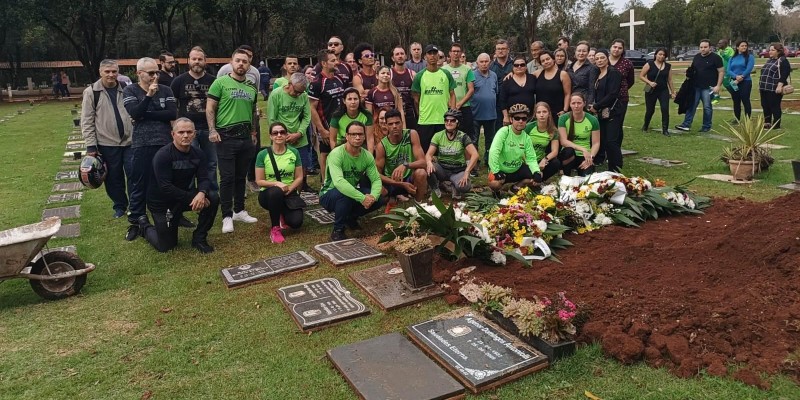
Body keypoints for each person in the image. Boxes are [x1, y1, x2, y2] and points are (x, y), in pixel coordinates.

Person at [139, 118, 218, 253]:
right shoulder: (163, 156)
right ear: (173, 134)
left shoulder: (198, 153)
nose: (185, 135)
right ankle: (144, 226)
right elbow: (165, 188)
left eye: (189, 132)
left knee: (213, 197)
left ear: (194, 134)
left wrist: (201, 193)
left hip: (183, 198)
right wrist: (193, 199)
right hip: (162, 203)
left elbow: (204, 178)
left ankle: (199, 238)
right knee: (166, 245)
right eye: (181, 132)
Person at [122, 57, 177, 241]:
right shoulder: (130, 90)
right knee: (139, 183)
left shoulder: (167, 89)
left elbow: (171, 113)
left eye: (157, 72)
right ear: (139, 73)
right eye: (151, 73)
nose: (155, 76)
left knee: (167, 180)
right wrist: (148, 97)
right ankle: (136, 221)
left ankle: (173, 213)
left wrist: (146, 115)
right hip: (142, 144)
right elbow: (135, 113)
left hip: (164, 143)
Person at [207, 48, 260, 234]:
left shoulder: (252, 87)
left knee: (241, 176)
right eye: (238, 61)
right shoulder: (220, 83)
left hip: (245, 138)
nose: (241, 64)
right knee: (227, 178)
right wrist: (212, 130)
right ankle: (227, 216)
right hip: (225, 137)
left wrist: (253, 132)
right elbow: (210, 107)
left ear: (249, 65)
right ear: (231, 62)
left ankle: (239, 210)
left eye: (245, 62)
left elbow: (254, 112)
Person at [81, 59, 134, 219]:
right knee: (113, 178)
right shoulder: (91, 92)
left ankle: (135, 204)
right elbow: (87, 120)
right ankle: (120, 206)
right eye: (107, 71)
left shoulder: (126, 88)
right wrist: (91, 146)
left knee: (134, 174)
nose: (111, 75)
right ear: (100, 72)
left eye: (114, 71)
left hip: (130, 141)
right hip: (107, 143)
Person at [319, 121, 385, 241]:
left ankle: (350, 217)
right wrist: (362, 198)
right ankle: (338, 230)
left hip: (350, 192)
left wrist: (372, 197)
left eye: (360, 134)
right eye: (353, 134)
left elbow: (376, 179)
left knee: (379, 198)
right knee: (344, 194)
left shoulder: (367, 156)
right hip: (329, 194)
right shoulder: (336, 154)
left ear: (365, 136)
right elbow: (339, 182)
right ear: (347, 136)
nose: (357, 137)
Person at [171, 46, 218, 190]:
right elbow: (172, 106)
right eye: (194, 59)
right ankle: (189, 194)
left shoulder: (214, 81)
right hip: (187, 131)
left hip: (209, 129)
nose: (197, 62)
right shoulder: (179, 81)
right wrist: (174, 129)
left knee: (211, 163)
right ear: (188, 61)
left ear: (205, 61)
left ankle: (211, 193)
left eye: (200, 59)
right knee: (189, 163)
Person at [255, 122, 304, 244]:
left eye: (282, 132)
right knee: (276, 192)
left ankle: (282, 212)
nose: (279, 135)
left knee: (296, 223)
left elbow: (299, 177)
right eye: (275, 133)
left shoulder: (294, 152)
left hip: (289, 192)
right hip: (268, 194)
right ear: (270, 136)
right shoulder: (263, 154)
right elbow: (259, 181)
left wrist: (290, 189)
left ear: (286, 135)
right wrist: (276, 183)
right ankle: (275, 229)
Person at [267, 72, 314, 192]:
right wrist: (282, 135)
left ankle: (299, 192)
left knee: (302, 166)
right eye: (296, 91)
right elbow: (272, 118)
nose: (298, 94)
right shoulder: (276, 94)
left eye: (301, 92)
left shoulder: (303, 96)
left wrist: (299, 133)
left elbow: (306, 117)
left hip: (300, 138)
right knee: (283, 167)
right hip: (281, 137)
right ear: (289, 84)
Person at [375, 109, 428, 202]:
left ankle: (418, 204)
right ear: (386, 126)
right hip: (392, 181)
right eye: (391, 124)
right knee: (378, 190)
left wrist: (405, 165)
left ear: (402, 123)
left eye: (397, 123)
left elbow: (423, 163)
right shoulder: (382, 145)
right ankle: (391, 197)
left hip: (409, 178)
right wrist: (399, 184)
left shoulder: (411, 134)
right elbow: (376, 174)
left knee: (421, 173)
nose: (394, 126)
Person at [487, 103, 542, 193]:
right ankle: (496, 190)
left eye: (524, 118)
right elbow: (494, 152)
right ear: (511, 119)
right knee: (495, 184)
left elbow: (531, 158)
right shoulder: (504, 132)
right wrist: (496, 171)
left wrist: (536, 172)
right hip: (501, 170)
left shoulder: (526, 138)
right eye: (517, 118)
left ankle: (515, 187)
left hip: (517, 169)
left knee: (537, 176)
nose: (520, 121)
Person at [411, 44, 456, 152]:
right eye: (429, 53)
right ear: (425, 57)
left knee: (444, 151)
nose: (432, 56)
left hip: (443, 120)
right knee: (426, 151)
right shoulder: (419, 76)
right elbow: (416, 99)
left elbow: (452, 94)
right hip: (425, 121)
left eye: (434, 53)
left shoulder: (446, 74)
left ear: (438, 56)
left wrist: (453, 113)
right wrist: (420, 114)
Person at [309, 49, 346, 182]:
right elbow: (312, 108)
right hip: (326, 127)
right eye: (333, 60)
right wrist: (321, 129)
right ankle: (325, 184)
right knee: (325, 154)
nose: (337, 62)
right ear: (324, 63)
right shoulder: (317, 83)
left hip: (342, 125)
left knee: (343, 153)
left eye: (336, 59)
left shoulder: (339, 78)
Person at [425, 109, 478, 199]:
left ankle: (455, 186)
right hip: (442, 168)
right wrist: (429, 162)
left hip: (458, 170)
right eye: (446, 120)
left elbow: (475, 155)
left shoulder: (463, 136)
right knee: (426, 166)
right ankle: (435, 190)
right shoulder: (438, 135)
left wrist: (467, 172)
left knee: (464, 187)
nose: (449, 122)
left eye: (452, 120)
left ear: (458, 123)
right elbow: (428, 154)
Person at [675, 39, 723, 132]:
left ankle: (706, 126)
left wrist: (718, 85)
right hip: (695, 86)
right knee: (691, 105)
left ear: (710, 48)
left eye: (705, 47)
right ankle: (686, 124)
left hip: (708, 88)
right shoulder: (697, 57)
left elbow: (721, 71)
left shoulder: (716, 58)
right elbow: (693, 69)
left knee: (707, 107)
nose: (703, 49)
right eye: (701, 47)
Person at [587, 49, 624, 172]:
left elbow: (612, 94)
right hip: (602, 113)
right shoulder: (598, 73)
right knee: (603, 139)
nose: (599, 60)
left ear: (607, 58)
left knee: (611, 141)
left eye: (602, 58)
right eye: (596, 59)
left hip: (612, 112)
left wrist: (596, 106)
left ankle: (616, 168)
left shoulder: (613, 73)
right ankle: (607, 165)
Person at [442, 43, 476, 150]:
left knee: (468, 134)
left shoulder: (467, 69)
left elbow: (471, 89)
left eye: (458, 51)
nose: (456, 53)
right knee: (450, 134)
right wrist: (450, 104)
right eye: (454, 51)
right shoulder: (443, 69)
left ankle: (470, 160)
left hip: (464, 107)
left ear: (461, 53)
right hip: (448, 108)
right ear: (450, 53)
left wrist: (460, 103)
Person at [558, 93, 600, 176]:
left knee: (587, 179)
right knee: (569, 150)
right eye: (573, 103)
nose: (576, 106)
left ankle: (585, 168)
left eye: (579, 103)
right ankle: (565, 174)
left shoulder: (593, 120)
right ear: (570, 104)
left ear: (584, 103)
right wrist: (582, 149)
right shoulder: (563, 118)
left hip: (585, 156)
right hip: (569, 155)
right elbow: (563, 141)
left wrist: (590, 158)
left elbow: (596, 143)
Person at [471, 53, 498, 176]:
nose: (484, 64)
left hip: (491, 114)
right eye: (481, 62)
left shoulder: (494, 76)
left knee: (490, 140)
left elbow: (495, 92)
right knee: (474, 140)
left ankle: (489, 160)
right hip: (475, 113)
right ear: (477, 63)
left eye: (486, 61)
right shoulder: (472, 75)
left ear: (490, 62)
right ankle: (474, 163)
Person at [639, 48, 675, 136]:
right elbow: (641, 76)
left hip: (663, 90)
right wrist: (649, 82)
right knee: (650, 110)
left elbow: (670, 80)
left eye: (663, 55)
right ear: (656, 55)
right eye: (660, 54)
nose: (661, 56)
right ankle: (645, 125)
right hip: (651, 90)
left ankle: (665, 129)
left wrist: (673, 92)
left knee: (665, 109)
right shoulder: (649, 64)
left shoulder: (668, 66)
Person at [525, 102, 562, 181]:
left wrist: (544, 160)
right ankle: (532, 179)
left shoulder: (553, 130)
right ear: (535, 114)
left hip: (540, 160)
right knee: (528, 178)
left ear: (549, 114)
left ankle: (539, 180)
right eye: (539, 112)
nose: (541, 115)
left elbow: (555, 151)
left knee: (556, 163)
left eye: (544, 112)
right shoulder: (528, 127)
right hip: (526, 160)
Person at [330, 87, 374, 152]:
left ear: (359, 100)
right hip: (342, 145)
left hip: (360, 144)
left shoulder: (367, 115)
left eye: (355, 99)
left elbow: (370, 138)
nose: (353, 102)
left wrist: (370, 156)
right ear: (344, 101)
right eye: (349, 99)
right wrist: (335, 154)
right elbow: (332, 139)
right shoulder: (337, 116)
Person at [759, 43, 792, 129]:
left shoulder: (783, 60)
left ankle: (776, 124)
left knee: (774, 106)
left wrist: (779, 86)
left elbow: (784, 74)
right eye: (770, 50)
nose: (770, 52)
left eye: (773, 50)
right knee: (765, 105)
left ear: (779, 51)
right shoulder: (770, 60)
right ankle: (767, 122)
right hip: (764, 87)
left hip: (774, 88)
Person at [499, 55, 536, 126]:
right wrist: (506, 116)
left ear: (526, 66)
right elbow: (502, 100)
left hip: (530, 116)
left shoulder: (532, 78)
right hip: (513, 117)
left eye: (522, 65)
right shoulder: (507, 80)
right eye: (516, 65)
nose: (519, 67)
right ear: (513, 67)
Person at [534, 51, 572, 120]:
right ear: (541, 63)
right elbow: (522, 74)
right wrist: (512, 73)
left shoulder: (563, 74)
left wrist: (565, 110)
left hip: (558, 113)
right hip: (542, 114)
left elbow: (568, 94)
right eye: (543, 61)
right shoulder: (537, 74)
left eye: (548, 59)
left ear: (553, 59)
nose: (546, 62)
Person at [608, 39, 635, 137]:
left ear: (623, 50)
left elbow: (630, 81)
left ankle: (616, 149)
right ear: (611, 47)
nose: (616, 50)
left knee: (617, 124)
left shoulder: (627, 63)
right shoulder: (603, 60)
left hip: (621, 99)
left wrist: (620, 90)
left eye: (620, 48)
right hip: (603, 98)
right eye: (615, 47)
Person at [390, 46, 418, 129]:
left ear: (406, 56)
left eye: (402, 54)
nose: (400, 56)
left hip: (410, 112)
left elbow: (416, 97)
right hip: (393, 112)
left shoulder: (412, 74)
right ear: (392, 58)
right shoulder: (389, 74)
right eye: (397, 54)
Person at [727, 40, 755, 123]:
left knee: (745, 100)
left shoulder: (750, 57)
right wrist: (735, 77)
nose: (744, 47)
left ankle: (747, 119)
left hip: (745, 81)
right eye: (742, 46)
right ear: (737, 47)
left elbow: (749, 69)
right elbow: (729, 70)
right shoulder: (732, 58)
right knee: (736, 101)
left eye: (745, 46)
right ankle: (737, 118)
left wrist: (741, 77)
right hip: (734, 82)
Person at [490, 40, 513, 138]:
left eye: (503, 49)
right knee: (498, 132)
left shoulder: (515, 65)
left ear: (508, 50)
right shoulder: (490, 67)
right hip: (496, 104)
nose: (500, 51)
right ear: (495, 51)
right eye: (498, 49)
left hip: (512, 101)